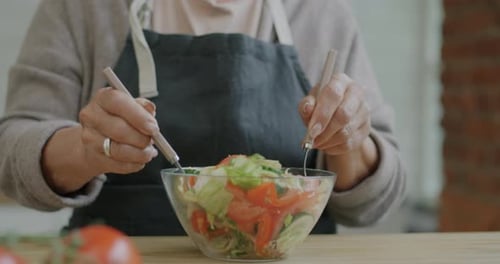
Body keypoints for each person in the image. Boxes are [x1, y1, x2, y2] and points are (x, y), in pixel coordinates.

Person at [0, 0, 406, 235]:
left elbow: (372, 205)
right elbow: (10, 154)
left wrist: (349, 143)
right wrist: (86, 149)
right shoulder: (84, 8)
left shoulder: (321, 12)